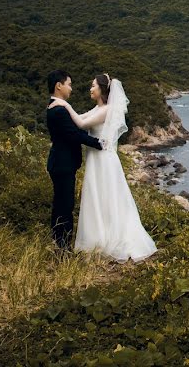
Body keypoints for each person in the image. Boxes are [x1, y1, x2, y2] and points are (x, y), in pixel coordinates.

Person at [48, 73, 157, 262]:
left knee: (107, 197)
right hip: (95, 158)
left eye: (93, 86)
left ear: (102, 89)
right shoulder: (97, 108)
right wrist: (62, 106)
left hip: (103, 160)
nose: (90, 89)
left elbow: (80, 123)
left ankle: (110, 239)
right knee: (95, 197)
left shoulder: (107, 109)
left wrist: (65, 105)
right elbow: (79, 120)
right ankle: (97, 239)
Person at [46, 70, 102, 251]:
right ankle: (63, 246)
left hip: (61, 163)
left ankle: (58, 240)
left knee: (61, 203)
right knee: (65, 205)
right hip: (62, 164)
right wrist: (99, 143)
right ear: (59, 85)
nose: (71, 88)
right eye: (69, 84)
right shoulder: (59, 110)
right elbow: (74, 134)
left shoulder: (57, 107)